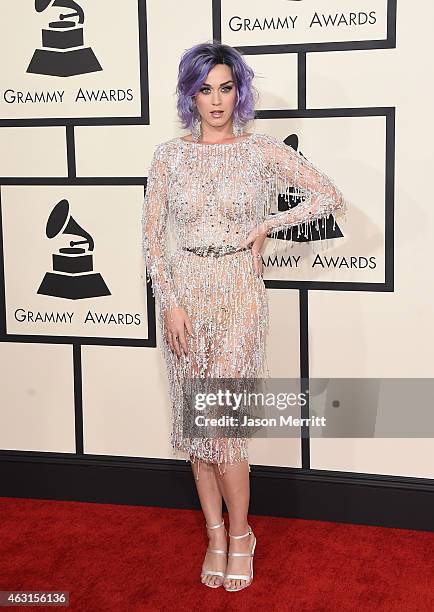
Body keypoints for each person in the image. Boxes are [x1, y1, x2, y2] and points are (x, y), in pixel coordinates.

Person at [142, 41, 347, 592]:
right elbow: (152, 241)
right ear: (190, 94)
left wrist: (269, 227)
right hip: (186, 297)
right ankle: (213, 534)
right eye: (205, 89)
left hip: (239, 294)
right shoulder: (169, 156)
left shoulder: (259, 152)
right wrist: (172, 305)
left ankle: (241, 536)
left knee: (225, 427)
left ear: (240, 91)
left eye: (226, 87)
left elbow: (329, 196)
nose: (216, 100)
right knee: (196, 428)